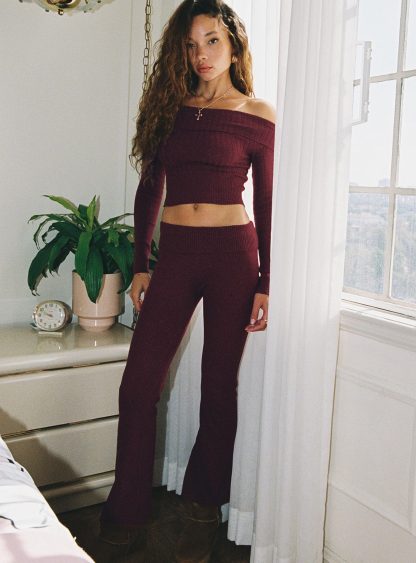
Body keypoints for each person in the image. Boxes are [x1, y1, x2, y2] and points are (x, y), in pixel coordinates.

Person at [99, 0, 275, 560]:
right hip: (175, 255)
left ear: (234, 45)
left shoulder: (258, 114)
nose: (202, 54)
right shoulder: (168, 110)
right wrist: (141, 264)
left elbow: (266, 202)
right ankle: (127, 507)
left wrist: (266, 279)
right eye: (192, 44)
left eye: (212, 41)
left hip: (233, 257)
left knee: (219, 386)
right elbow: (150, 188)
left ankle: (202, 506)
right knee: (138, 385)